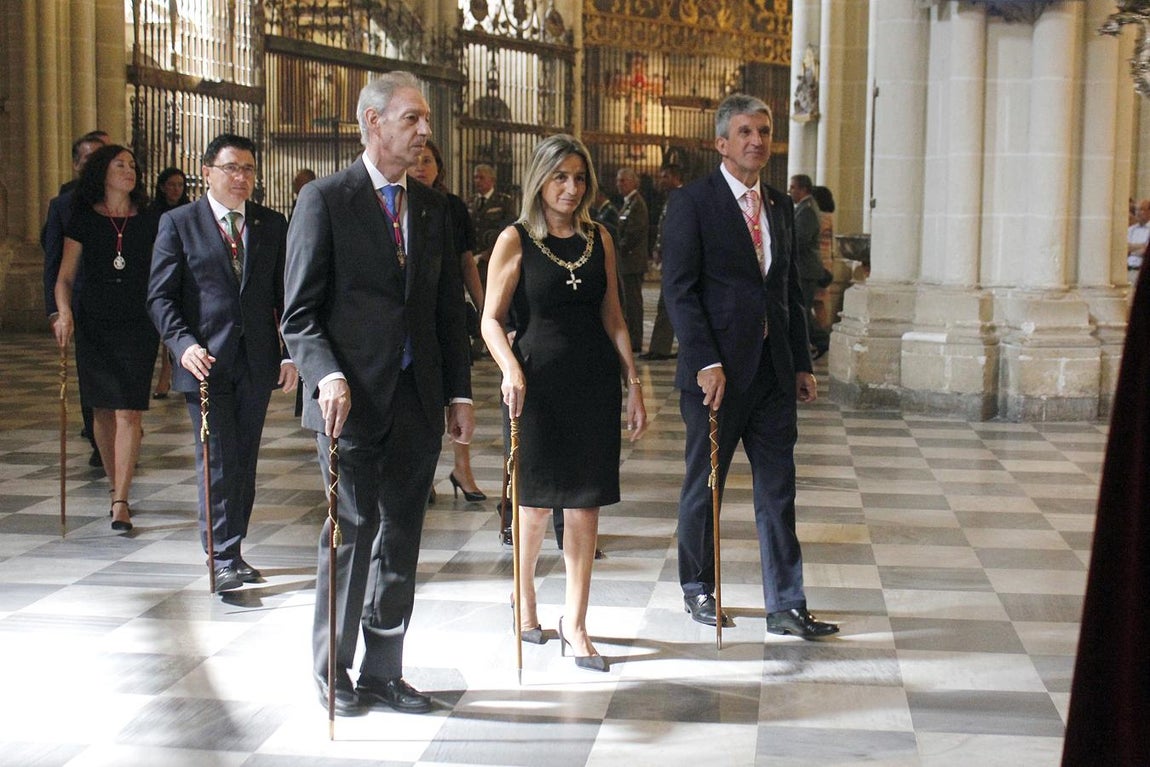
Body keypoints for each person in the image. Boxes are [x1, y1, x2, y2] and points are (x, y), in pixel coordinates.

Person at [281, 71, 474, 716]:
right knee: (350, 534)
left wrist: (460, 393)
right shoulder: (326, 200)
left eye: (425, 120)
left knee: (403, 540)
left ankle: (383, 672)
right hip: (350, 402)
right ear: (372, 121)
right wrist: (326, 374)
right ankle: (332, 670)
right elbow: (299, 314)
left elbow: (449, 309)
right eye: (413, 118)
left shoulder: (433, 208)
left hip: (418, 401)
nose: (425, 131)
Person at [661, 93, 838, 639]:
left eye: (763, 130)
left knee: (778, 490)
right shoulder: (692, 203)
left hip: (772, 373)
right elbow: (680, 291)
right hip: (716, 377)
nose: (757, 140)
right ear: (721, 142)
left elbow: (786, 288)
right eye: (745, 132)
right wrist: (705, 361)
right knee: (705, 485)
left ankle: (786, 602)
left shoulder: (781, 206)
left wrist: (803, 361)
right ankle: (699, 589)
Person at [482, 134, 647, 672]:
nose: (571, 188)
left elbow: (614, 314)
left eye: (579, 177)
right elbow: (490, 319)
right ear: (540, 179)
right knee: (532, 502)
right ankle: (524, 596)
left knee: (584, 503)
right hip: (537, 383)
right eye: (560, 177)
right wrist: (510, 369)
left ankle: (574, 623)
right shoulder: (516, 239)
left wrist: (634, 382)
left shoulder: (600, 237)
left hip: (592, 382)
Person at [148, 133, 297, 593]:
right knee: (216, 458)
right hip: (205, 363)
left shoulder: (271, 224)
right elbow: (160, 296)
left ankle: (234, 547)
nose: (241, 178)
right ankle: (221, 555)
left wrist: (290, 351)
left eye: (249, 169)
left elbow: (286, 295)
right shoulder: (180, 223)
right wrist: (182, 344)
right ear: (207, 171)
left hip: (256, 363)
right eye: (231, 168)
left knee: (244, 460)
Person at [53, 144, 160, 532]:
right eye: (120, 164)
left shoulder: (149, 219)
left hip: (137, 323)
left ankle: (121, 499)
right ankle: (116, 486)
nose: (129, 170)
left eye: (133, 164)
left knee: (129, 409)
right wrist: (63, 312)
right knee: (101, 408)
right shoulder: (83, 219)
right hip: (95, 322)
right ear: (102, 172)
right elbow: (65, 276)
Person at [409, 139, 487, 502]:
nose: (422, 166)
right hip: (413, 312)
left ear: (439, 167)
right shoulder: (398, 203)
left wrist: (485, 308)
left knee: (457, 389)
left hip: (448, 307)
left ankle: (462, 469)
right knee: (420, 398)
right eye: (417, 160)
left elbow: (466, 260)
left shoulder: (451, 207)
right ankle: (419, 475)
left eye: (429, 161)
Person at [43, 130, 108, 469]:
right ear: (76, 164)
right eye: (89, 160)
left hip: (121, 306)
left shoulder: (129, 203)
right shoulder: (64, 205)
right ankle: (99, 438)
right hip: (82, 305)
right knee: (91, 376)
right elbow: (54, 263)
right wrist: (56, 311)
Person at [148, 167, 191, 398]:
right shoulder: (153, 213)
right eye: (172, 184)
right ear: (162, 186)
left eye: (180, 185)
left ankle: (169, 372)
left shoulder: (189, 212)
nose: (176, 189)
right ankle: (165, 374)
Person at [641, 164, 683, 361]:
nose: (661, 180)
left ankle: (665, 348)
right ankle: (660, 348)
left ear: (675, 177)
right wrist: (658, 249)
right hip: (670, 259)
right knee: (665, 304)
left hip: (679, 261)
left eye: (665, 176)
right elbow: (663, 228)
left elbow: (681, 231)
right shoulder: (671, 198)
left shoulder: (684, 198)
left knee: (674, 304)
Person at [788, 174, 831, 360]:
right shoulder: (805, 207)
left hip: (806, 268)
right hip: (804, 268)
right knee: (801, 308)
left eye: (793, 187)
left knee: (802, 308)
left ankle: (820, 340)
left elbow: (800, 239)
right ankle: (815, 341)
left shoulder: (807, 209)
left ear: (803, 189)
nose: (790, 191)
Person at [615, 167, 649, 353]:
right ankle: (631, 337)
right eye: (618, 181)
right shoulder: (628, 203)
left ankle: (635, 340)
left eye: (623, 181)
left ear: (633, 182)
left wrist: (618, 248)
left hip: (632, 262)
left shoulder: (637, 204)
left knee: (634, 303)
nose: (619, 185)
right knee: (628, 303)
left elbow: (633, 233)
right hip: (628, 262)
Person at [468, 163, 515, 286]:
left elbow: (507, 230)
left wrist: (487, 253)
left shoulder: (503, 201)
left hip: (494, 257)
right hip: (474, 261)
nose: (477, 181)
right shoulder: (471, 202)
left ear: (492, 180)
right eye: (475, 177)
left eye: (481, 178)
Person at [1127, 198, 1150, 279]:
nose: (1138, 213)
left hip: (1143, 272)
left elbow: (1146, 251)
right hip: (1128, 269)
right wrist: (1141, 246)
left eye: (1141, 210)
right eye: (1136, 210)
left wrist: (1131, 248)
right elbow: (1124, 249)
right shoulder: (1130, 229)